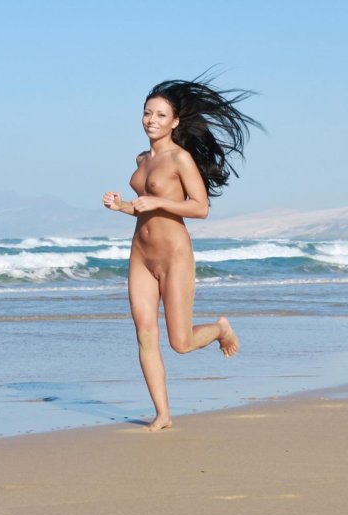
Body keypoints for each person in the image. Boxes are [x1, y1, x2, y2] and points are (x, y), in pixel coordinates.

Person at [102, 75, 262, 432]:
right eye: (147, 113)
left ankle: (220, 329)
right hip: (141, 255)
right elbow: (144, 209)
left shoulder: (181, 159)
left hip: (175, 256)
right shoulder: (141, 159)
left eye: (160, 115)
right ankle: (163, 413)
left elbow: (200, 208)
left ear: (174, 121)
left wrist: (158, 201)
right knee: (145, 334)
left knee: (181, 342)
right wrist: (122, 206)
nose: (151, 120)